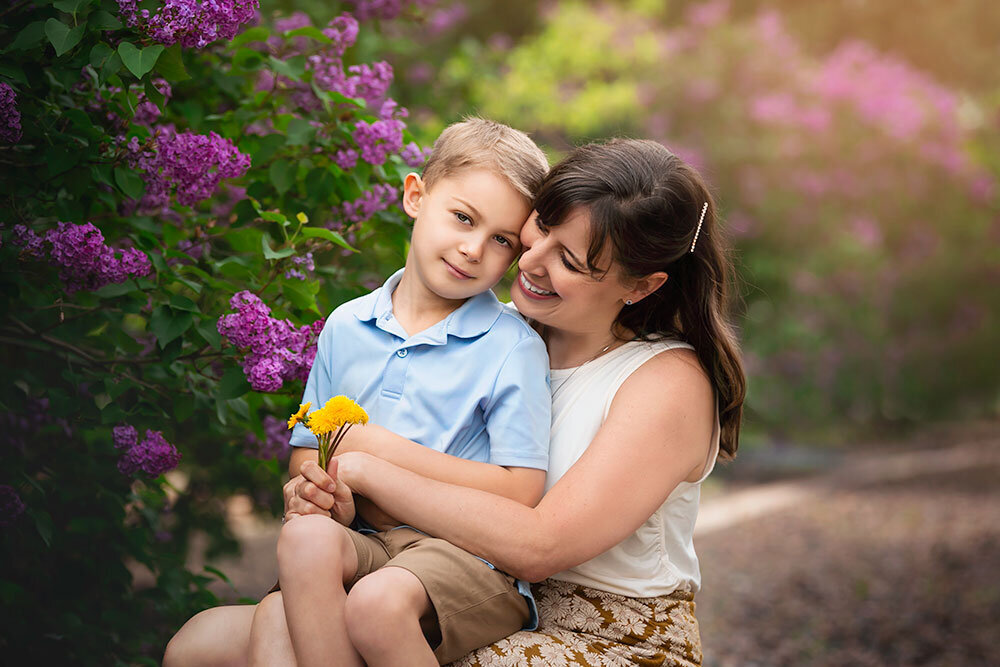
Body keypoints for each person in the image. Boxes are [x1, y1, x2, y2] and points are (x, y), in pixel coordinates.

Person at [170, 138, 747, 666]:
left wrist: (368, 461)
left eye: (569, 261)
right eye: (539, 228)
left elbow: (539, 545)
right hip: (433, 584)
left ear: (640, 286)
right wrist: (323, 486)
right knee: (205, 644)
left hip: (601, 634)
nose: (530, 259)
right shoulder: (506, 334)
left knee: (357, 621)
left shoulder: (666, 381)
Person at [164, 117, 552, 667]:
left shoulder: (510, 346)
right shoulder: (347, 326)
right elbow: (308, 450)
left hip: (462, 558)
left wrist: (377, 452)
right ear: (415, 196)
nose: (472, 248)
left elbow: (520, 492)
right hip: (363, 544)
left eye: (500, 240)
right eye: (463, 218)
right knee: (200, 638)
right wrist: (314, 490)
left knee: (352, 607)